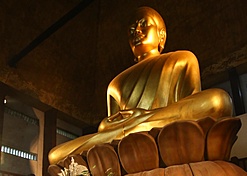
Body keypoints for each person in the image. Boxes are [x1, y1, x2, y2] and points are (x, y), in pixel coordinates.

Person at [48, 6, 233, 165]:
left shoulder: (182, 59)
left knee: (218, 100)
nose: (136, 31)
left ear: (162, 35)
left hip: (167, 130)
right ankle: (139, 133)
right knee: (55, 155)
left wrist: (144, 117)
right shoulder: (116, 83)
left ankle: (140, 130)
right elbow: (109, 129)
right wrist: (112, 125)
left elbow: (192, 110)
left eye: (144, 24)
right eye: (131, 30)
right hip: (127, 137)